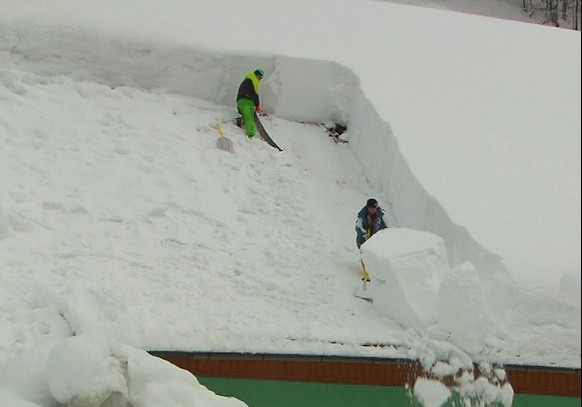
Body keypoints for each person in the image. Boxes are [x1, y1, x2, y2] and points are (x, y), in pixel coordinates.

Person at [236, 68, 264, 138]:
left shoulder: (246, 79)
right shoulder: (254, 80)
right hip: (248, 102)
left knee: (246, 115)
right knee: (250, 118)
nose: (260, 79)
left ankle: (240, 120)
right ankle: (251, 134)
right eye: (260, 77)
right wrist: (257, 105)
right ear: (258, 75)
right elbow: (255, 94)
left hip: (240, 101)